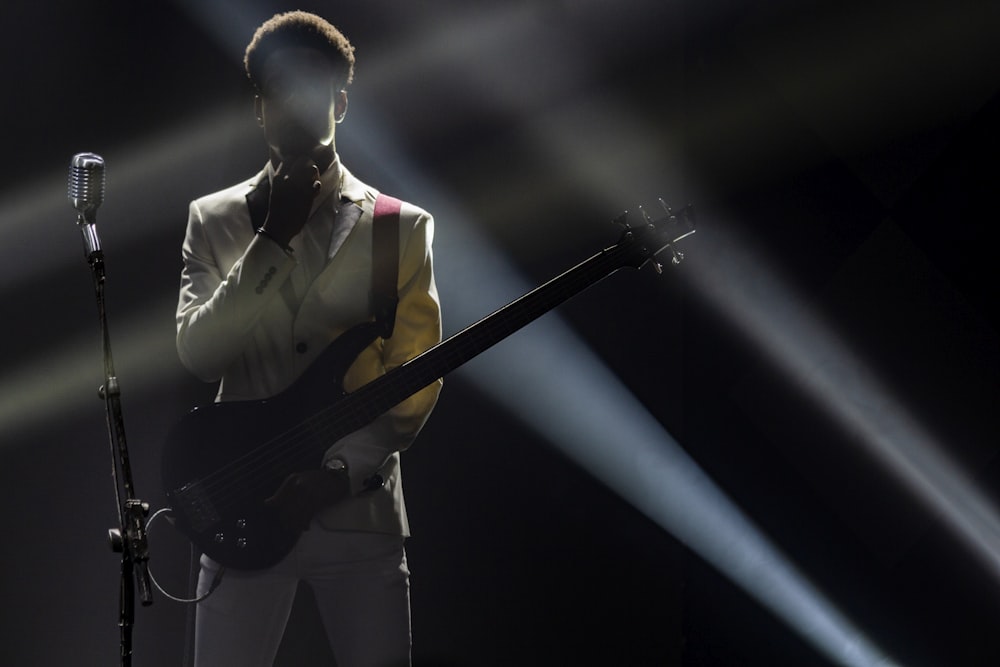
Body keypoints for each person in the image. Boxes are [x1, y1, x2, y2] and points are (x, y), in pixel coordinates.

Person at [175, 11, 442, 666]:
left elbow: (414, 382)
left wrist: (334, 477)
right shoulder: (212, 219)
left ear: (341, 102)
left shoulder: (399, 227)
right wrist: (271, 241)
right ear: (260, 108)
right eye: (278, 91)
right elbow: (198, 352)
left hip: (358, 521)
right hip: (238, 505)